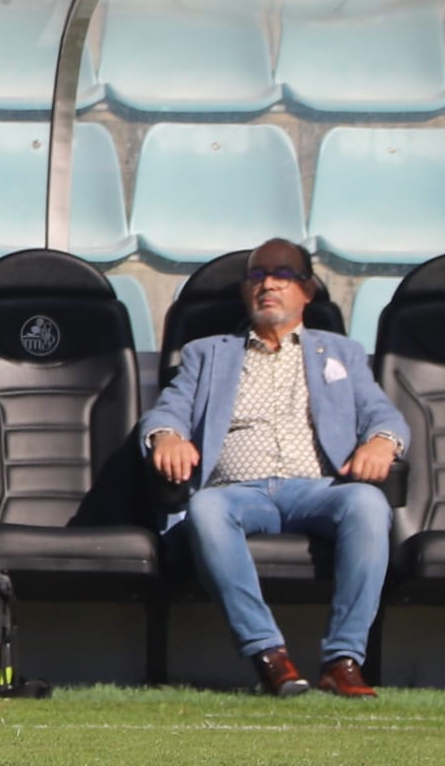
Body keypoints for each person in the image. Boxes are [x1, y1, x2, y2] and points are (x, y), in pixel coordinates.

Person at [140, 238, 408, 698]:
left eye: (282, 275)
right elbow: (167, 411)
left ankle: (343, 660)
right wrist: (166, 437)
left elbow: (383, 414)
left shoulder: (341, 352)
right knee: (205, 509)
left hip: (319, 489)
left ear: (307, 290)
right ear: (245, 290)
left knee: (367, 504)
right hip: (237, 491)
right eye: (256, 275)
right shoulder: (208, 353)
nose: (267, 284)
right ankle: (269, 655)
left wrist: (383, 442)